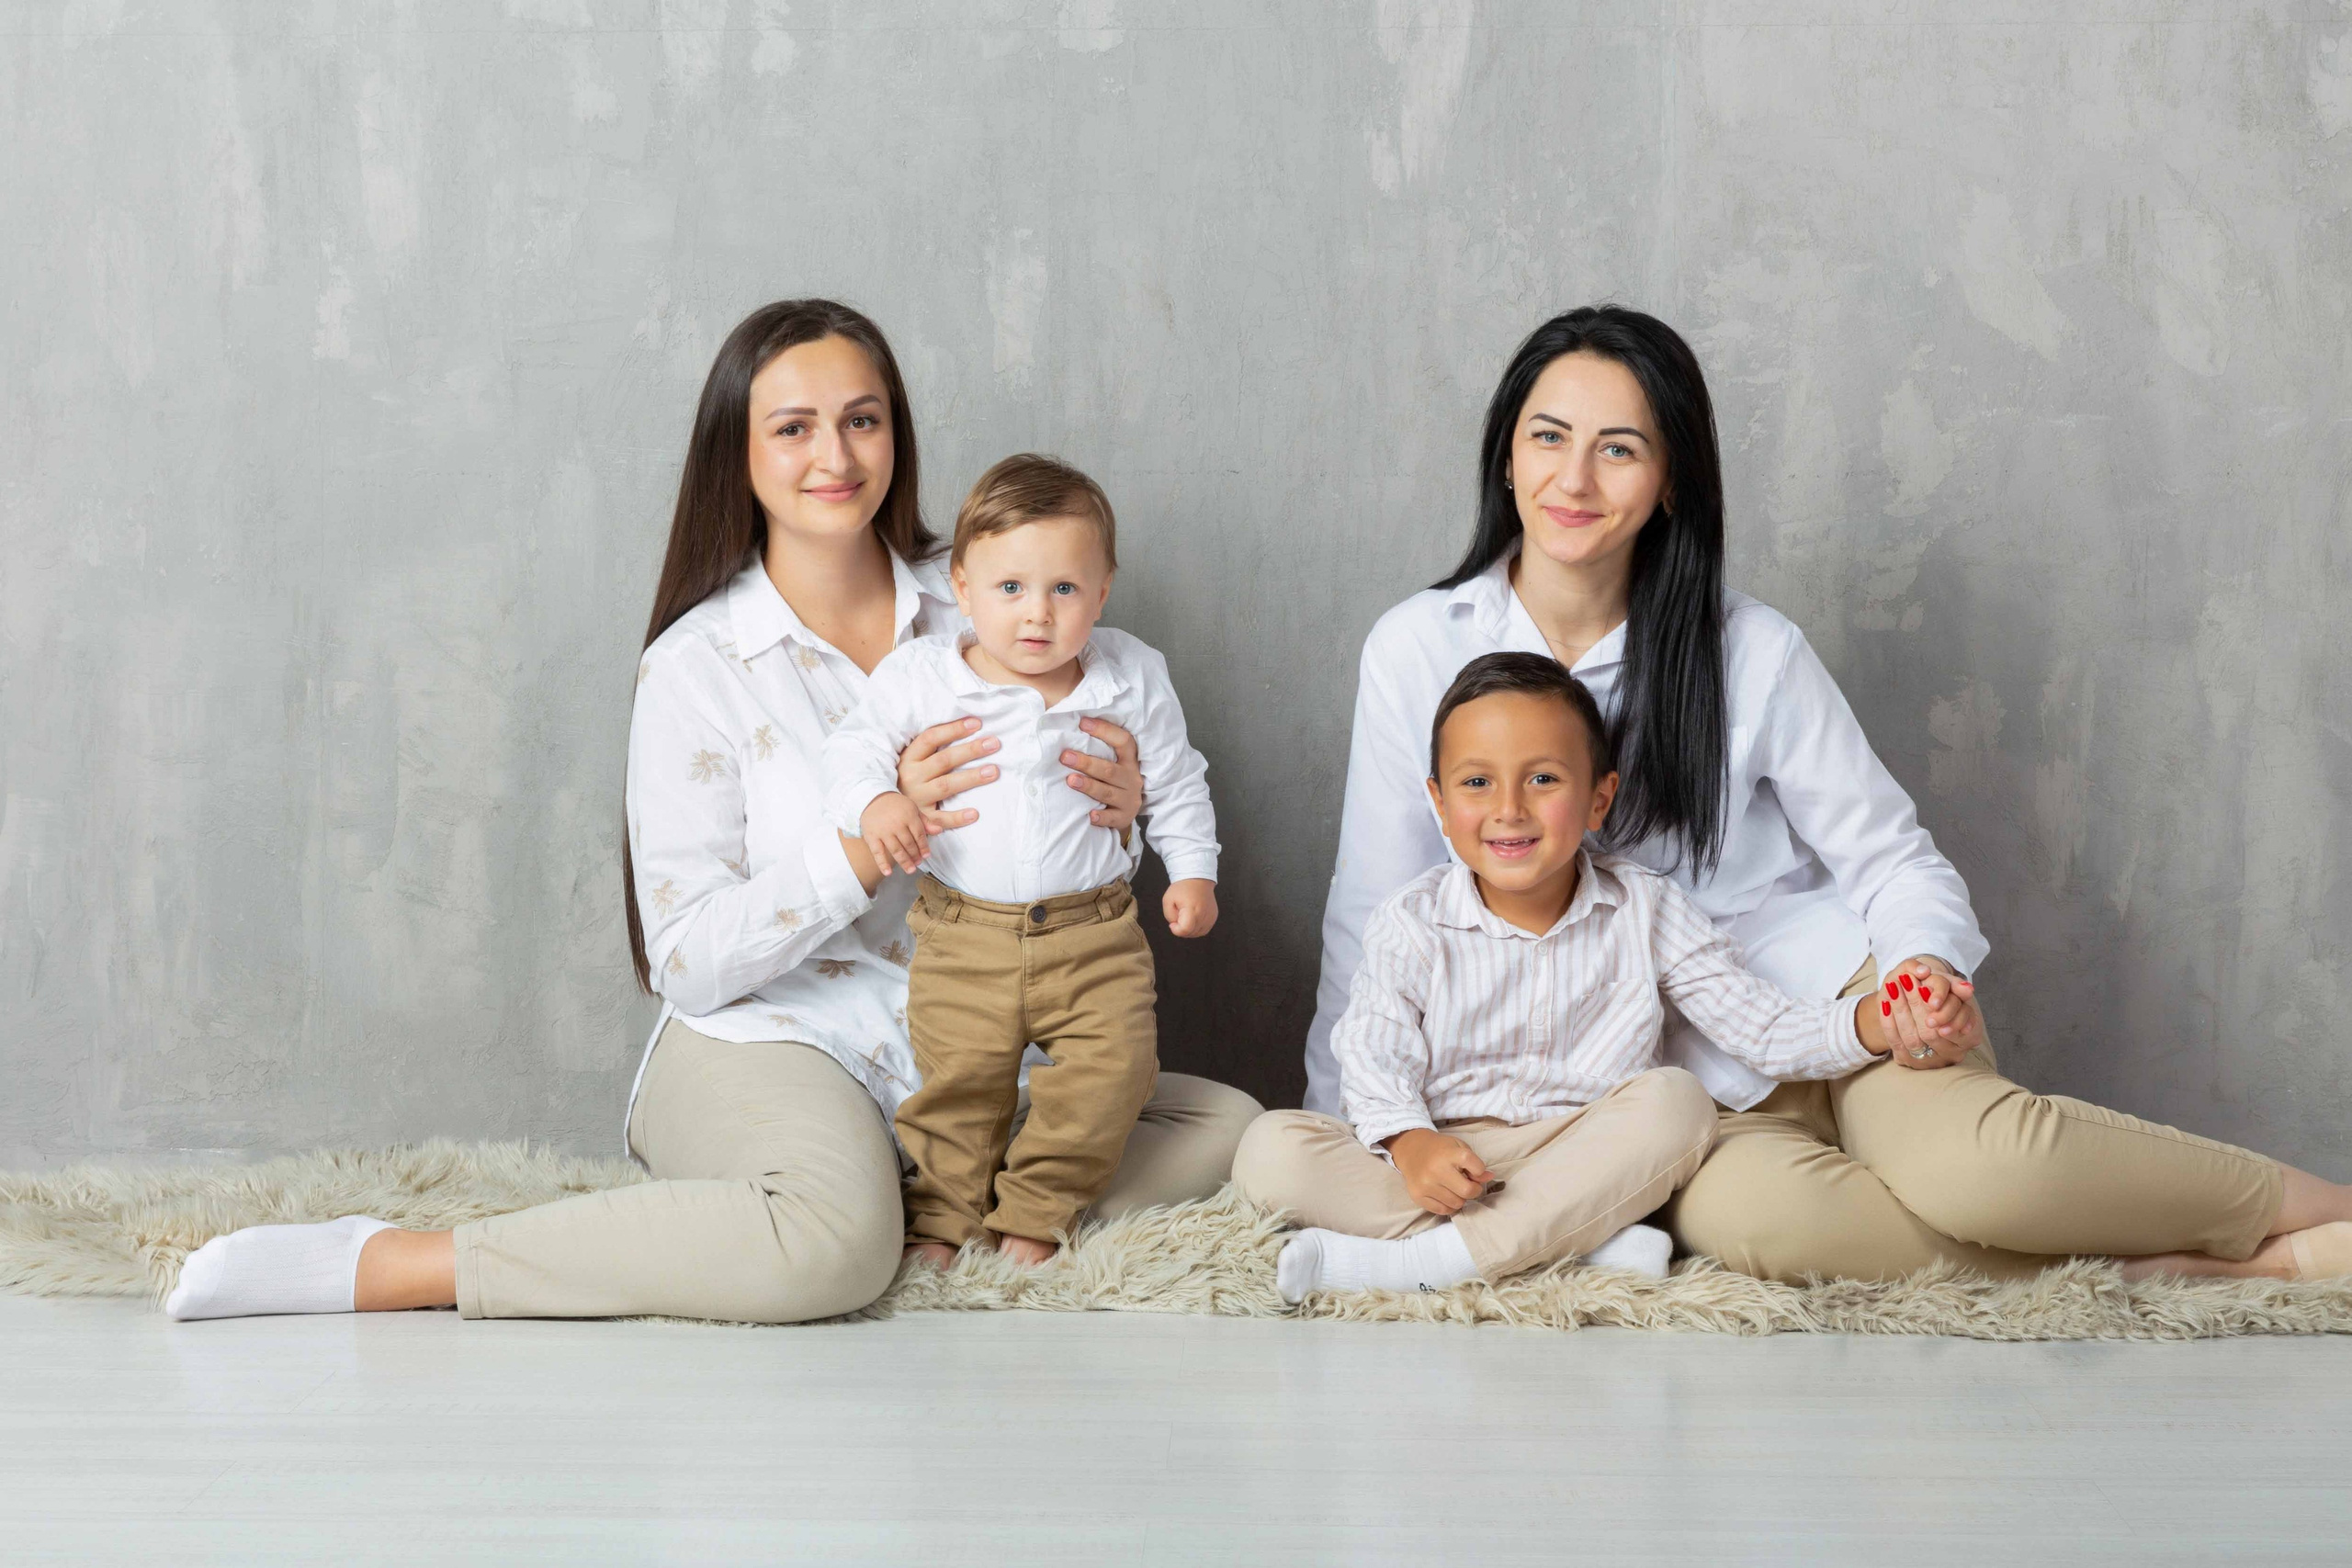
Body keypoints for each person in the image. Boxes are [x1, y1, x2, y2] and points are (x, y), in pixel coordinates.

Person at [164, 299, 1261, 1324]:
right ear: (737, 451)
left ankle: (928, 1184)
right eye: (793, 427)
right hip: (768, 1032)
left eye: (861, 420)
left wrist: (1122, 819)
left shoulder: (995, 597)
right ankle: (407, 1260)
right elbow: (686, 957)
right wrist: (862, 845)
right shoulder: (699, 667)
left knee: (1230, 1134)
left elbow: (1090, 824)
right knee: (834, 1245)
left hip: (966, 1035)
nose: (834, 457)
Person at [1303, 304, 2352, 1285]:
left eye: (1618, 448)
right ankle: (2191, 1273)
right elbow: (1376, 904)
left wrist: (1921, 974)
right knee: (1759, 1230)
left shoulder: (1747, 649)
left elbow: (1889, 857)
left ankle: (2316, 1208)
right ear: (1506, 451)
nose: (1573, 478)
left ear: (1669, 480)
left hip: (1836, 996)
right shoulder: (1417, 647)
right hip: (1684, 1077)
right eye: (1547, 437)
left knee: (1977, 1172)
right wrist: (1356, 1134)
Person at [1241, 653, 1968, 1299]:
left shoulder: (1645, 907)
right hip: (1449, 1159)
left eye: (1544, 779)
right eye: (1476, 782)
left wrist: (1877, 1018)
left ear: (1598, 797)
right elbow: (1373, 1046)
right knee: (1269, 1152)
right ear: (1437, 802)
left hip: (1591, 1155)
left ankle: (1427, 1265)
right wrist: (1408, 1141)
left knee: (1677, 1101)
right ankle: (1578, 1246)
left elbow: (1763, 1028)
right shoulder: (1412, 921)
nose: (1508, 809)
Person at [825, 454, 1220, 1269]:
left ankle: (1036, 1212)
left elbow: (1178, 778)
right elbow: (851, 751)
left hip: (1095, 935)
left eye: (1064, 590)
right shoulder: (924, 676)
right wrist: (879, 803)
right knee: (958, 1086)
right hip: (966, 934)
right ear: (962, 590)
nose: (1036, 615)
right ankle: (940, 1215)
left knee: (1114, 1072)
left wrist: (1193, 871)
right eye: (1010, 589)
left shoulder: (1130, 675)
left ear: (1102, 592)